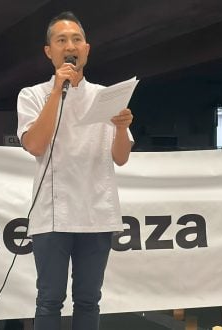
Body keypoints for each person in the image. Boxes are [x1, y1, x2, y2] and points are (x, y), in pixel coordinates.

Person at [16, 11, 134, 330]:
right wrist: (57, 90)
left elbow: (121, 158)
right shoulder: (31, 95)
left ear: (87, 49)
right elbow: (35, 145)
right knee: (49, 300)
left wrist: (122, 129)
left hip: (96, 210)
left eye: (77, 39)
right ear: (49, 51)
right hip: (53, 213)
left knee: (88, 300)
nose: (71, 45)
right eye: (62, 40)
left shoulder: (106, 96)